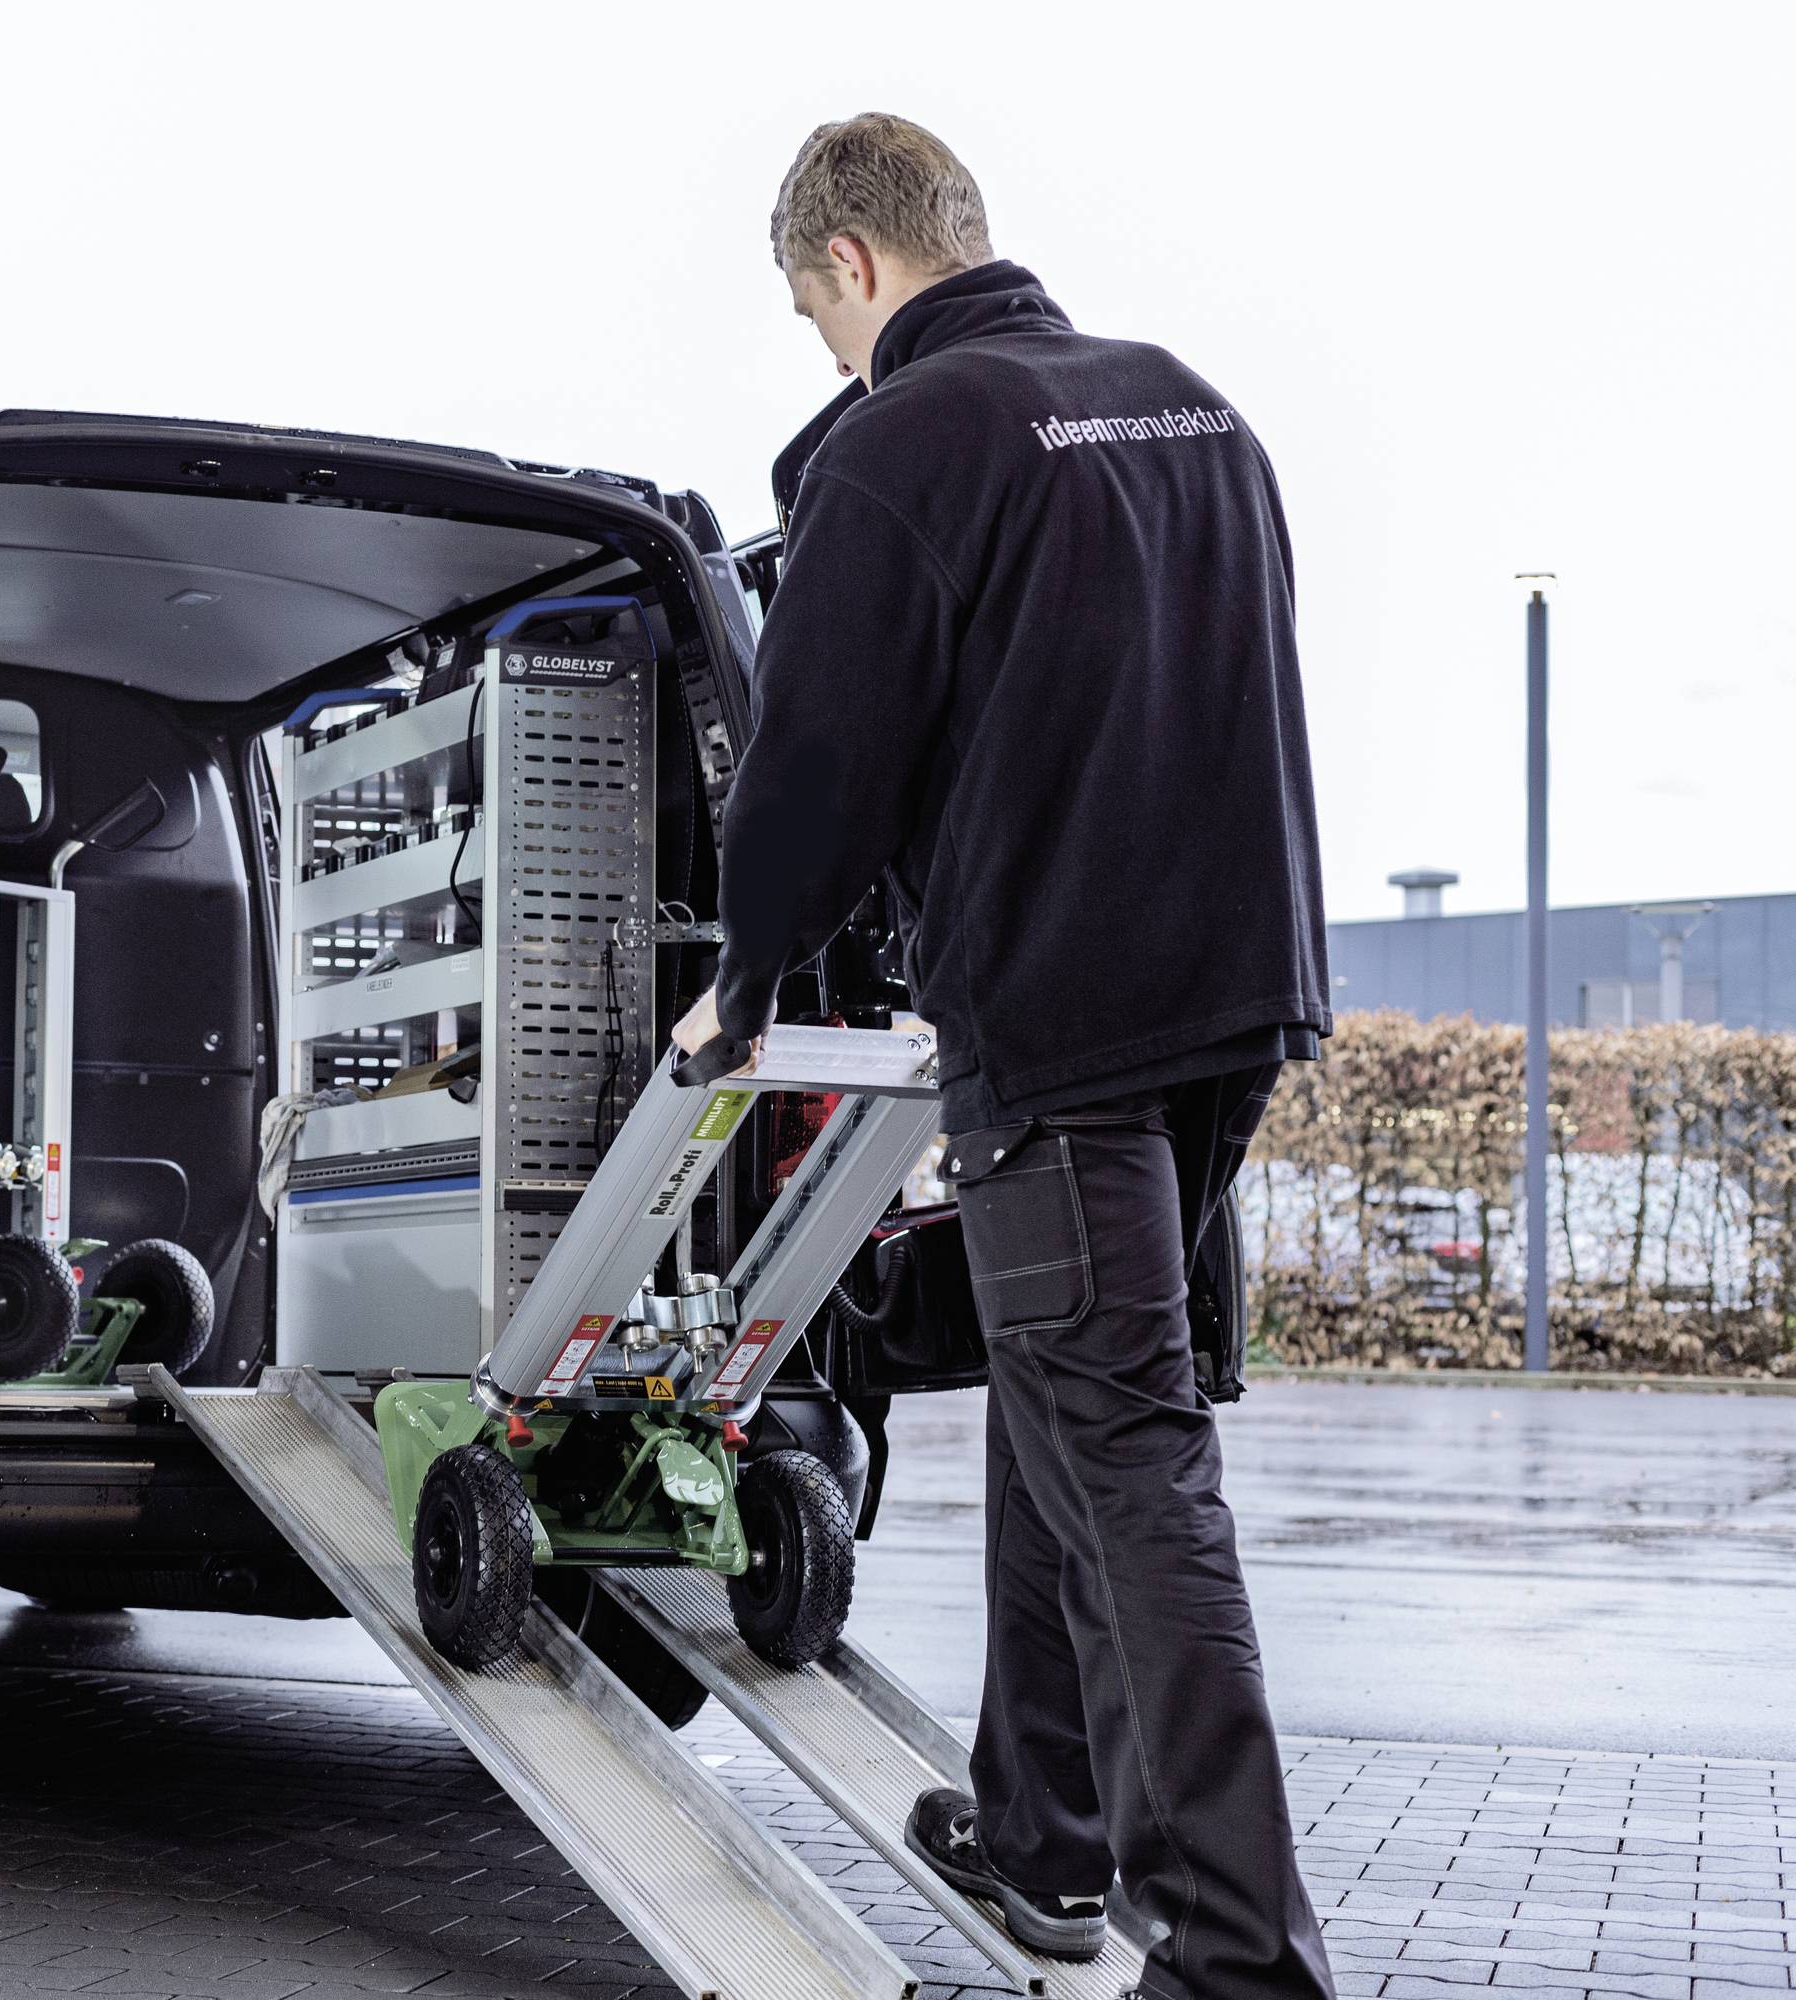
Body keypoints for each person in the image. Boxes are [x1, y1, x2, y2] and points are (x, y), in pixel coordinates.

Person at [672, 115, 1336, 2000]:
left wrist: (753, 975)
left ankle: (1239, 1960)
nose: (831, 355)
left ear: (858, 266)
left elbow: (812, 768)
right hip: (1238, 995)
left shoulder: (902, 444)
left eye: (818, 318)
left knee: (1130, 1451)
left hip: (1064, 1021)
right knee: (1073, 1393)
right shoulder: (1191, 407)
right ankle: (1041, 1835)